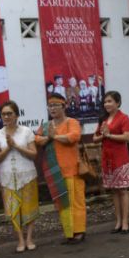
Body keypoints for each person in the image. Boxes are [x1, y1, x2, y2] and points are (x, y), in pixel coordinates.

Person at [35, 93, 86, 244]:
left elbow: (73, 137)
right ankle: (69, 233)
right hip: (55, 171)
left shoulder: (72, 122)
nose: (52, 108)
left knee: (76, 201)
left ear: (64, 106)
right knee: (62, 204)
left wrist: (54, 137)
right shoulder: (46, 126)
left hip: (72, 169)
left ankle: (80, 232)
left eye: (56, 105)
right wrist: (48, 137)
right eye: (50, 106)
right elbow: (37, 139)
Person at [0, 101, 39, 252]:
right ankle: (20, 239)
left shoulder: (26, 131)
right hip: (7, 176)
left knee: (29, 207)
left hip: (26, 174)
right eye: (3, 114)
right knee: (13, 209)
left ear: (17, 115)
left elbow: (34, 154)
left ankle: (29, 238)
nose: (6, 117)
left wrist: (17, 146)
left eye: (9, 114)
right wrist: (8, 147)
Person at [93, 91, 129, 234]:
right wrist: (103, 135)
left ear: (117, 103)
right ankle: (118, 221)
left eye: (109, 101)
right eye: (105, 102)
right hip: (107, 159)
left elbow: (127, 136)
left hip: (120, 159)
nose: (106, 104)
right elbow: (95, 138)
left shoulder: (124, 118)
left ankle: (126, 222)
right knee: (114, 191)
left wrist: (109, 135)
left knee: (122, 190)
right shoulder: (103, 119)